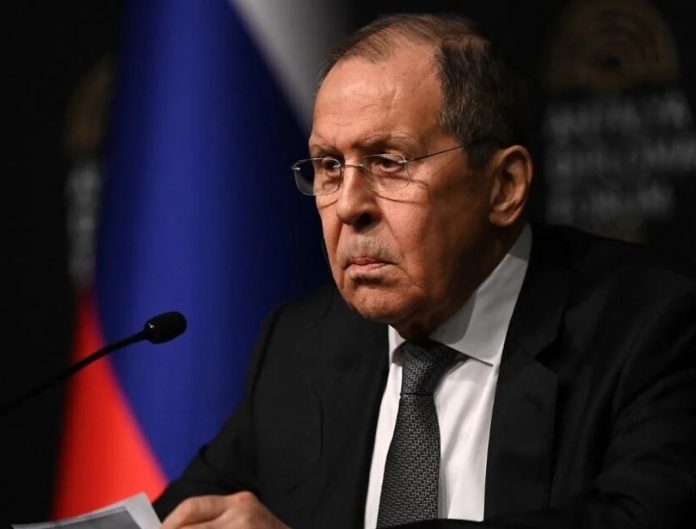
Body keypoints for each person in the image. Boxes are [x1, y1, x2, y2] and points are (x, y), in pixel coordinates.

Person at [155, 13, 696, 529]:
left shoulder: (647, 330)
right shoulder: (301, 346)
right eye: (330, 167)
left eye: (389, 162)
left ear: (504, 187)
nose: (349, 205)